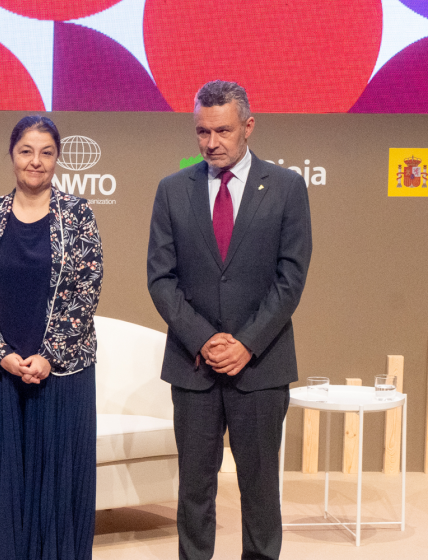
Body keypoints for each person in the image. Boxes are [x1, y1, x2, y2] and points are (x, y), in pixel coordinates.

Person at [147, 80, 312, 560]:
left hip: (261, 368)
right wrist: (204, 340)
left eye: (221, 130)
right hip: (193, 367)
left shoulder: (286, 187)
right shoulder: (172, 190)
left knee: (259, 492)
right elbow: (161, 280)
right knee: (194, 493)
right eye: (201, 131)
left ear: (248, 126)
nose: (211, 142)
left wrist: (246, 343)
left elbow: (291, 277)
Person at [0, 115, 103, 560]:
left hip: (62, 374)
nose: (35, 162)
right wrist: (1, 353)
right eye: (26, 151)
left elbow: (87, 288)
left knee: (56, 480)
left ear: (58, 158)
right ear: (12, 155)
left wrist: (50, 355)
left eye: (46, 152)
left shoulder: (78, 215)